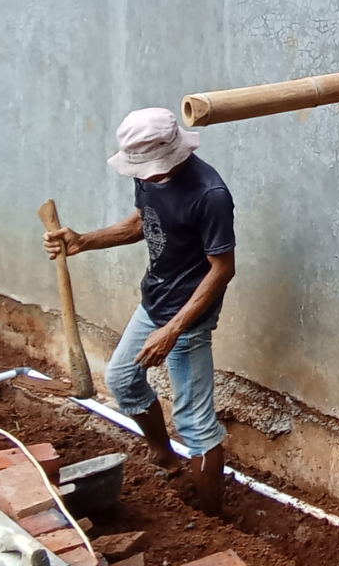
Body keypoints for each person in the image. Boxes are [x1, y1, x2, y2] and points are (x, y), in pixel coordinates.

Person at [44, 107, 236, 516]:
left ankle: (212, 520)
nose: (143, 176)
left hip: (188, 317)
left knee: (195, 424)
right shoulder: (147, 175)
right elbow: (142, 223)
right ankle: (166, 459)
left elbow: (222, 269)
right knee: (122, 379)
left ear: (172, 153)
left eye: (148, 169)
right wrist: (84, 241)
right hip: (155, 300)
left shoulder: (210, 195)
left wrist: (173, 330)